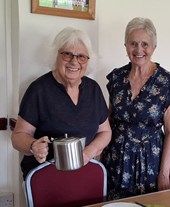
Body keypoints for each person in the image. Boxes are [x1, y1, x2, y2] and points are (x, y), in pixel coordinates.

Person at [11, 27, 111, 179]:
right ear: (55, 55)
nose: (74, 61)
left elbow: (105, 132)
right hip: (46, 176)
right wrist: (33, 146)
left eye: (81, 56)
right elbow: (18, 136)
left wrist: (88, 153)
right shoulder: (39, 89)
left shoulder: (93, 89)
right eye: (67, 54)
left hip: (86, 174)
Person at [102, 17, 170, 200]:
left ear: (154, 47)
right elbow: (109, 121)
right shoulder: (116, 78)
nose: (138, 50)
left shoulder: (167, 82)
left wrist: (164, 173)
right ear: (126, 46)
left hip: (150, 163)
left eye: (145, 44)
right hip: (116, 161)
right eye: (133, 44)